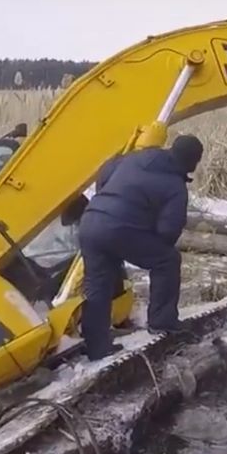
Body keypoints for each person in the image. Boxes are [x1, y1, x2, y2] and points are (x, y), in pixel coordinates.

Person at [77, 134, 204, 360]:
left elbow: (106, 171)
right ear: (192, 163)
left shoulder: (140, 156)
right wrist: (144, 229)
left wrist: (108, 201)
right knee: (167, 260)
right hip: (120, 229)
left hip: (91, 221)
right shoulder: (175, 186)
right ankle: (162, 322)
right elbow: (168, 232)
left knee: (97, 284)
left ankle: (97, 347)